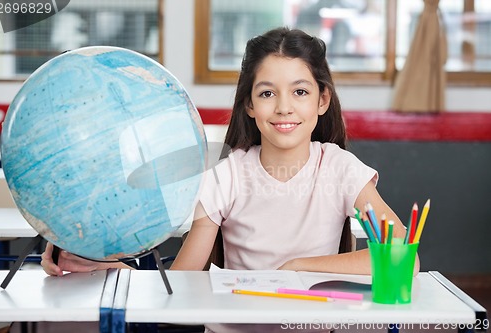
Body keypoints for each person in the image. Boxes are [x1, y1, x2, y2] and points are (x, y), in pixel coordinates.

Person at [41, 27, 418, 332]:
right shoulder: (226, 176)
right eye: (267, 93)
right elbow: (184, 281)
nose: (284, 106)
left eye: (300, 92)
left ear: (322, 101)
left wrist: (299, 266)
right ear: (250, 106)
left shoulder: (339, 168)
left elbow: (405, 257)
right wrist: (119, 271)